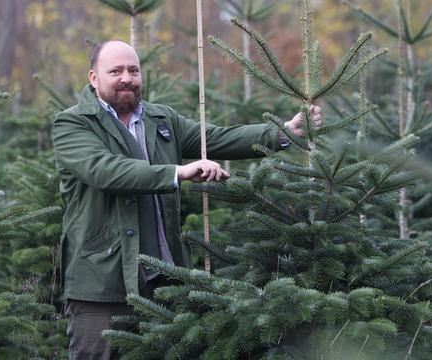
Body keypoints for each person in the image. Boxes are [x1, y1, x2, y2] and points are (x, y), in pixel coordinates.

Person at [51, 40, 321, 359]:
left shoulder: (161, 120)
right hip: (102, 283)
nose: (127, 78)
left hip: (165, 278)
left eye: (133, 70)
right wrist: (177, 172)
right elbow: (104, 171)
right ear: (94, 78)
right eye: (116, 71)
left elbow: (216, 138)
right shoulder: (73, 123)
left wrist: (282, 133)